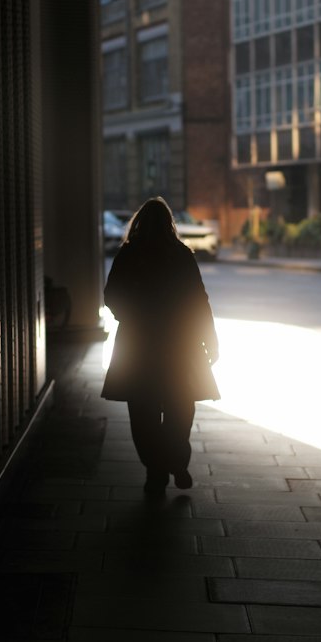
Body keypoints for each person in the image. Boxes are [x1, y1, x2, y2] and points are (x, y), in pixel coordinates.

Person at [101, 196, 220, 497]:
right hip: (180, 344)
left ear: (138, 223)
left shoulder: (128, 254)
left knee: (143, 412)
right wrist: (210, 339)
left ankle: (155, 471)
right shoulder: (181, 255)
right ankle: (177, 460)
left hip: (138, 344)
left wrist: (129, 317)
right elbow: (198, 300)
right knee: (180, 406)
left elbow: (112, 294)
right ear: (170, 224)